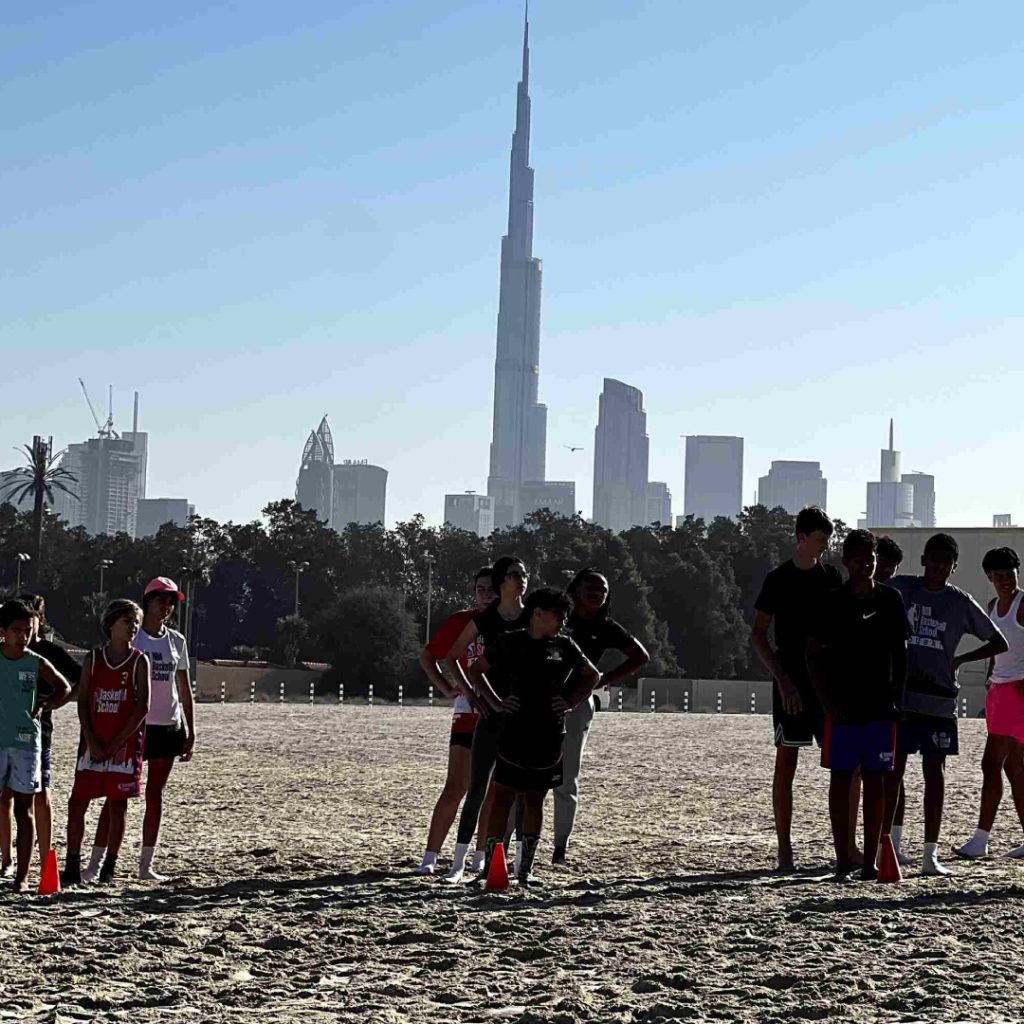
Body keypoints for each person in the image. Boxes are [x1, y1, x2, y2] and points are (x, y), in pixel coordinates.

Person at [887, 533, 1008, 875]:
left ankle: (931, 854)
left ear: (954, 567)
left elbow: (998, 641)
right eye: (934, 559)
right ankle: (891, 846)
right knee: (894, 773)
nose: (938, 566)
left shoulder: (960, 602)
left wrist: (961, 659)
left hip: (940, 701)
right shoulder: (902, 588)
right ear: (923, 560)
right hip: (903, 699)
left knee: (934, 774)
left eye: (946, 562)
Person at [470, 587, 600, 886]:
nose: (563, 622)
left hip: (550, 734)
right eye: (558, 616)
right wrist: (495, 702)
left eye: (565, 617)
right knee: (502, 798)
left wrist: (571, 701)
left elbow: (592, 675)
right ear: (538, 613)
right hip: (513, 731)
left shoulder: (565, 645)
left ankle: (525, 870)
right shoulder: (510, 641)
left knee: (534, 800)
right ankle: (492, 868)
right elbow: (476, 670)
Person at [806, 530, 908, 880]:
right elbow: (812, 656)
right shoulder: (832, 601)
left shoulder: (891, 600)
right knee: (840, 779)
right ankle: (842, 861)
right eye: (859, 559)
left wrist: (897, 700)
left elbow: (901, 655)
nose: (866, 564)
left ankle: (870, 862)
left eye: (871, 559)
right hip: (842, 708)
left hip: (880, 706)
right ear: (846, 561)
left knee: (876, 780)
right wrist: (826, 704)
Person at [84, 577, 195, 883]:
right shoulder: (133, 638)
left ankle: (146, 865)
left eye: (171, 601)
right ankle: (95, 866)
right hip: (133, 727)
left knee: (155, 795)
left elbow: (184, 689)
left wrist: (191, 730)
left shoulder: (177, 641)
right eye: (162, 600)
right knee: (115, 797)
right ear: (148, 601)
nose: (167, 606)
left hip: (168, 726)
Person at [751, 506, 842, 871]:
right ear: (801, 537)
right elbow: (758, 635)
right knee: (787, 762)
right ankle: (785, 849)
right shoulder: (778, 579)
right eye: (819, 538)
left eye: (827, 539)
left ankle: (844, 847)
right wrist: (783, 680)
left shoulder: (832, 576)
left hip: (828, 685)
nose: (824, 545)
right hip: (790, 683)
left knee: (841, 763)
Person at [440, 555, 529, 884]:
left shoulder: (534, 614)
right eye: (515, 574)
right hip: (492, 713)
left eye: (524, 574)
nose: (522, 579)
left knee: (521, 793)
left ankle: (516, 865)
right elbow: (452, 658)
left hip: (526, 717)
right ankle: (457, 866)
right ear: (502, 581)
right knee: (477, 789)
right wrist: (474, 696)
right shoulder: (485, 619)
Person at [552, 567, 649, 865]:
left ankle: (560, 848)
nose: (596, 593)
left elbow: (641, 656)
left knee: (567, 778)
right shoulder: (557, 616)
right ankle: (514, 843)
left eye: (602, 589)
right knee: (529, 776)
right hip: (542, 701)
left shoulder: (606, 627)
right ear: (576, 589)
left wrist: (603, 678)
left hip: (578, 705)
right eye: (590, 587)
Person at [414, 567, 498, 875]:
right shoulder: (462, 621)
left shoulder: (515, 623)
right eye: (480, 589)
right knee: (456, 786)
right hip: (468, 711)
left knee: (491, 790)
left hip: (501, 712)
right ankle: (430, 857)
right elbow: (428, 657)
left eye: (491, 588)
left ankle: (480, 856)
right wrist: (447, 689)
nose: (485, 594)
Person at [62, 600, 150, 887]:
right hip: (92, 744)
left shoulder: (139, 661)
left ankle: (108, 867)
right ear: (111, 624)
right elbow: (83, 701)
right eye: (127, 621)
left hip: (123, 748)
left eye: (136, 622)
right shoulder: (94, 658)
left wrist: (114, 746)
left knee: (117, 806)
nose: (133, 626)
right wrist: (92, 740)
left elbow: (142, 707)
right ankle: (72, 866)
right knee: (77, 804)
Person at [0, 594, 81, 877]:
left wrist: (47, 705)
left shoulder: (40, 657)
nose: (23, 636)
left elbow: (68, 684)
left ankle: (33, 868)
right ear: (3, 630)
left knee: (31, 804)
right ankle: (7, 860)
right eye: (16, 630)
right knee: (4, 802)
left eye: (27, 628)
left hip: (31, 740)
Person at [957, 547, 1024, 860]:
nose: (1006, 580)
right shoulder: (992, 607)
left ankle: (980, 839)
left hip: (1018, 692)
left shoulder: (1023, 604)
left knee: (991, 763)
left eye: (1010, 574)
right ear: (989, 577)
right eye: (999, 576)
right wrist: (989, 676)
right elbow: (997, 646)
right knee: (1014, 767)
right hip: (997, 690)